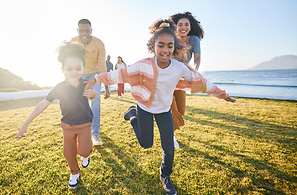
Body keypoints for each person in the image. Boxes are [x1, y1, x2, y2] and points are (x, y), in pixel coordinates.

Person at [86, 19, 235, 195]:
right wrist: (96, 79)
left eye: (170, 46)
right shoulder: (143, 65)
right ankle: (133, 115)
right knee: (146, 144)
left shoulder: (180, 68)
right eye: (161, 45)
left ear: (175, 47)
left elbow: (201, 82)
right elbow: (120, 75)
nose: (165, 50)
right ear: (153, 46)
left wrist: (222, 94)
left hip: (164, 111)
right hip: (144, 108)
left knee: (169, 148)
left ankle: (165, 176)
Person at [16, 42, 97, 189]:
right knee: (68, 153)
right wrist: (26, 123)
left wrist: (93, 94)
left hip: (85, 124)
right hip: (67, 126)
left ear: (83, 69)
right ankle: (74, 173)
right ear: (63, 69)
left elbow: (93, 95)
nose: (74, 72)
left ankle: (86, 155)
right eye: (69, 68)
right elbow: (43, 104)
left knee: (83, 150)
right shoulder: (59, 88)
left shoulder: (86, 84)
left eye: (78, 68)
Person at [71, 19, 109, 146]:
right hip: (79, 74)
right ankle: (79, 131)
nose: (84, 33)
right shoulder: (73, 42)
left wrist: (106, 87)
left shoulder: (99, 43)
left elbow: (102, 66)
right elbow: (69, 62)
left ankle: (95, 133)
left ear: (91, 31)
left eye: (87, 30)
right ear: (78, 31)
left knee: (95, 99)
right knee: (79, 101)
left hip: (95, 74)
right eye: (81, 30)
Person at [169, 12, 204, 148]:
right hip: (167, 78)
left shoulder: (194, 40)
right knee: (171, 108)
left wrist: (195, 72)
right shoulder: (171, 38)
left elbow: (197, 59)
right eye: (180, 25)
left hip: (182, 79)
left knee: (181, 111)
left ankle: (168, 131)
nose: (183, 27)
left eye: (186, 25)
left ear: (190, 26)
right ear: (176, 26)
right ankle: (170, 136)